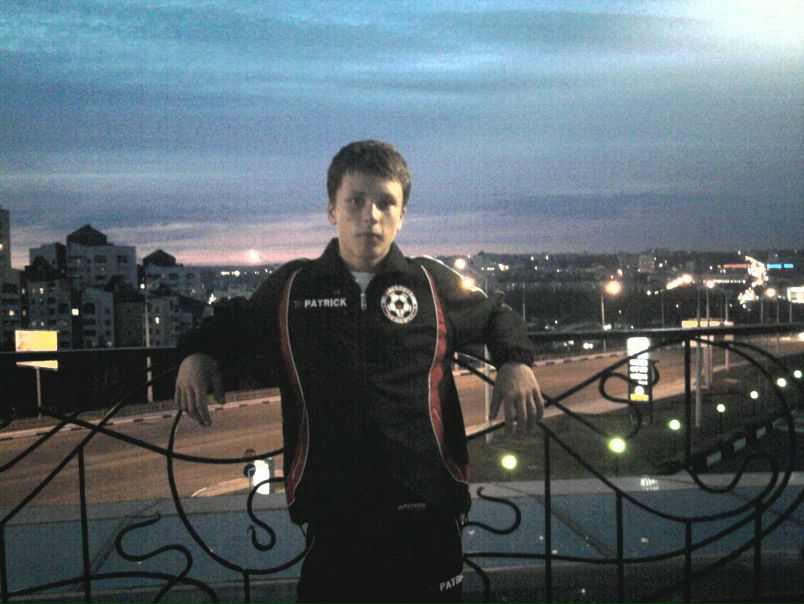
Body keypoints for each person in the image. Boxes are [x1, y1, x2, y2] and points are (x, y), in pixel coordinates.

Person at [174, 140, 544, 603]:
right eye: (355, 201)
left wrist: (514, 361)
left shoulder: (429, 283)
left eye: (386, 202)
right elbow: (233, 321)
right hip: (334, 512)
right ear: (332, 209)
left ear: (403, 214)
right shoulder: (294, 288)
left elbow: (497, 315)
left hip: (426, 506)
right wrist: (198, 353)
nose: (371, 215)